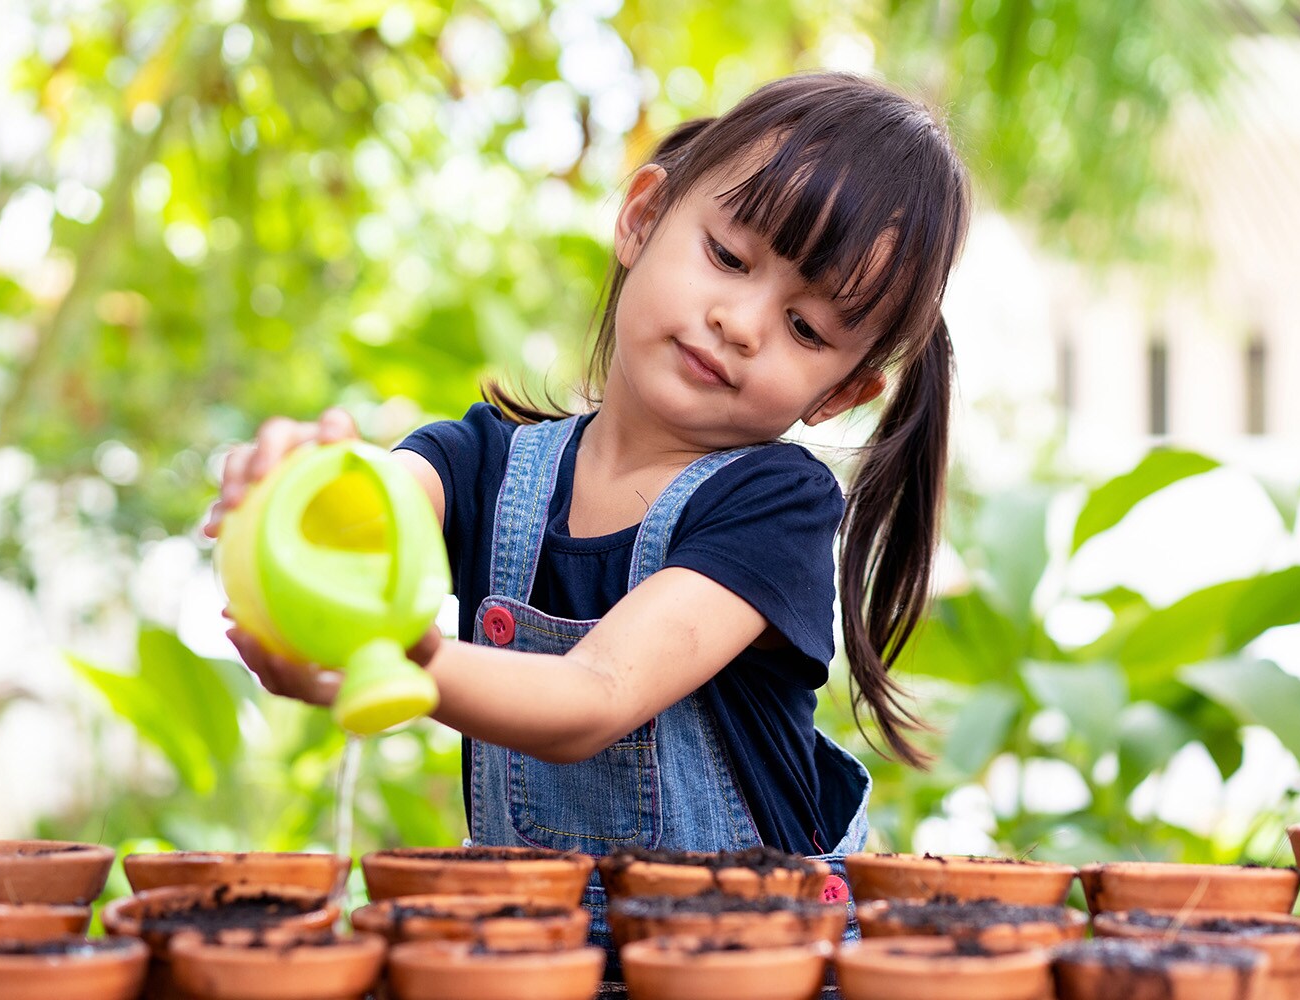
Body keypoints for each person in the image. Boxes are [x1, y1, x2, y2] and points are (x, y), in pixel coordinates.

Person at [203, 72, 968, 944]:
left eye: (807, 329)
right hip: (546, 949)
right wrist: (291, 483)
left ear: (840, 393)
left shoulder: (773, 507)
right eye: (728, 257)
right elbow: (374, 504)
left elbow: (593, 696)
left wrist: (403, 665)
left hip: (750, 963)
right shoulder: (481, 464)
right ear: (643, 217)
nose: (742, 323)